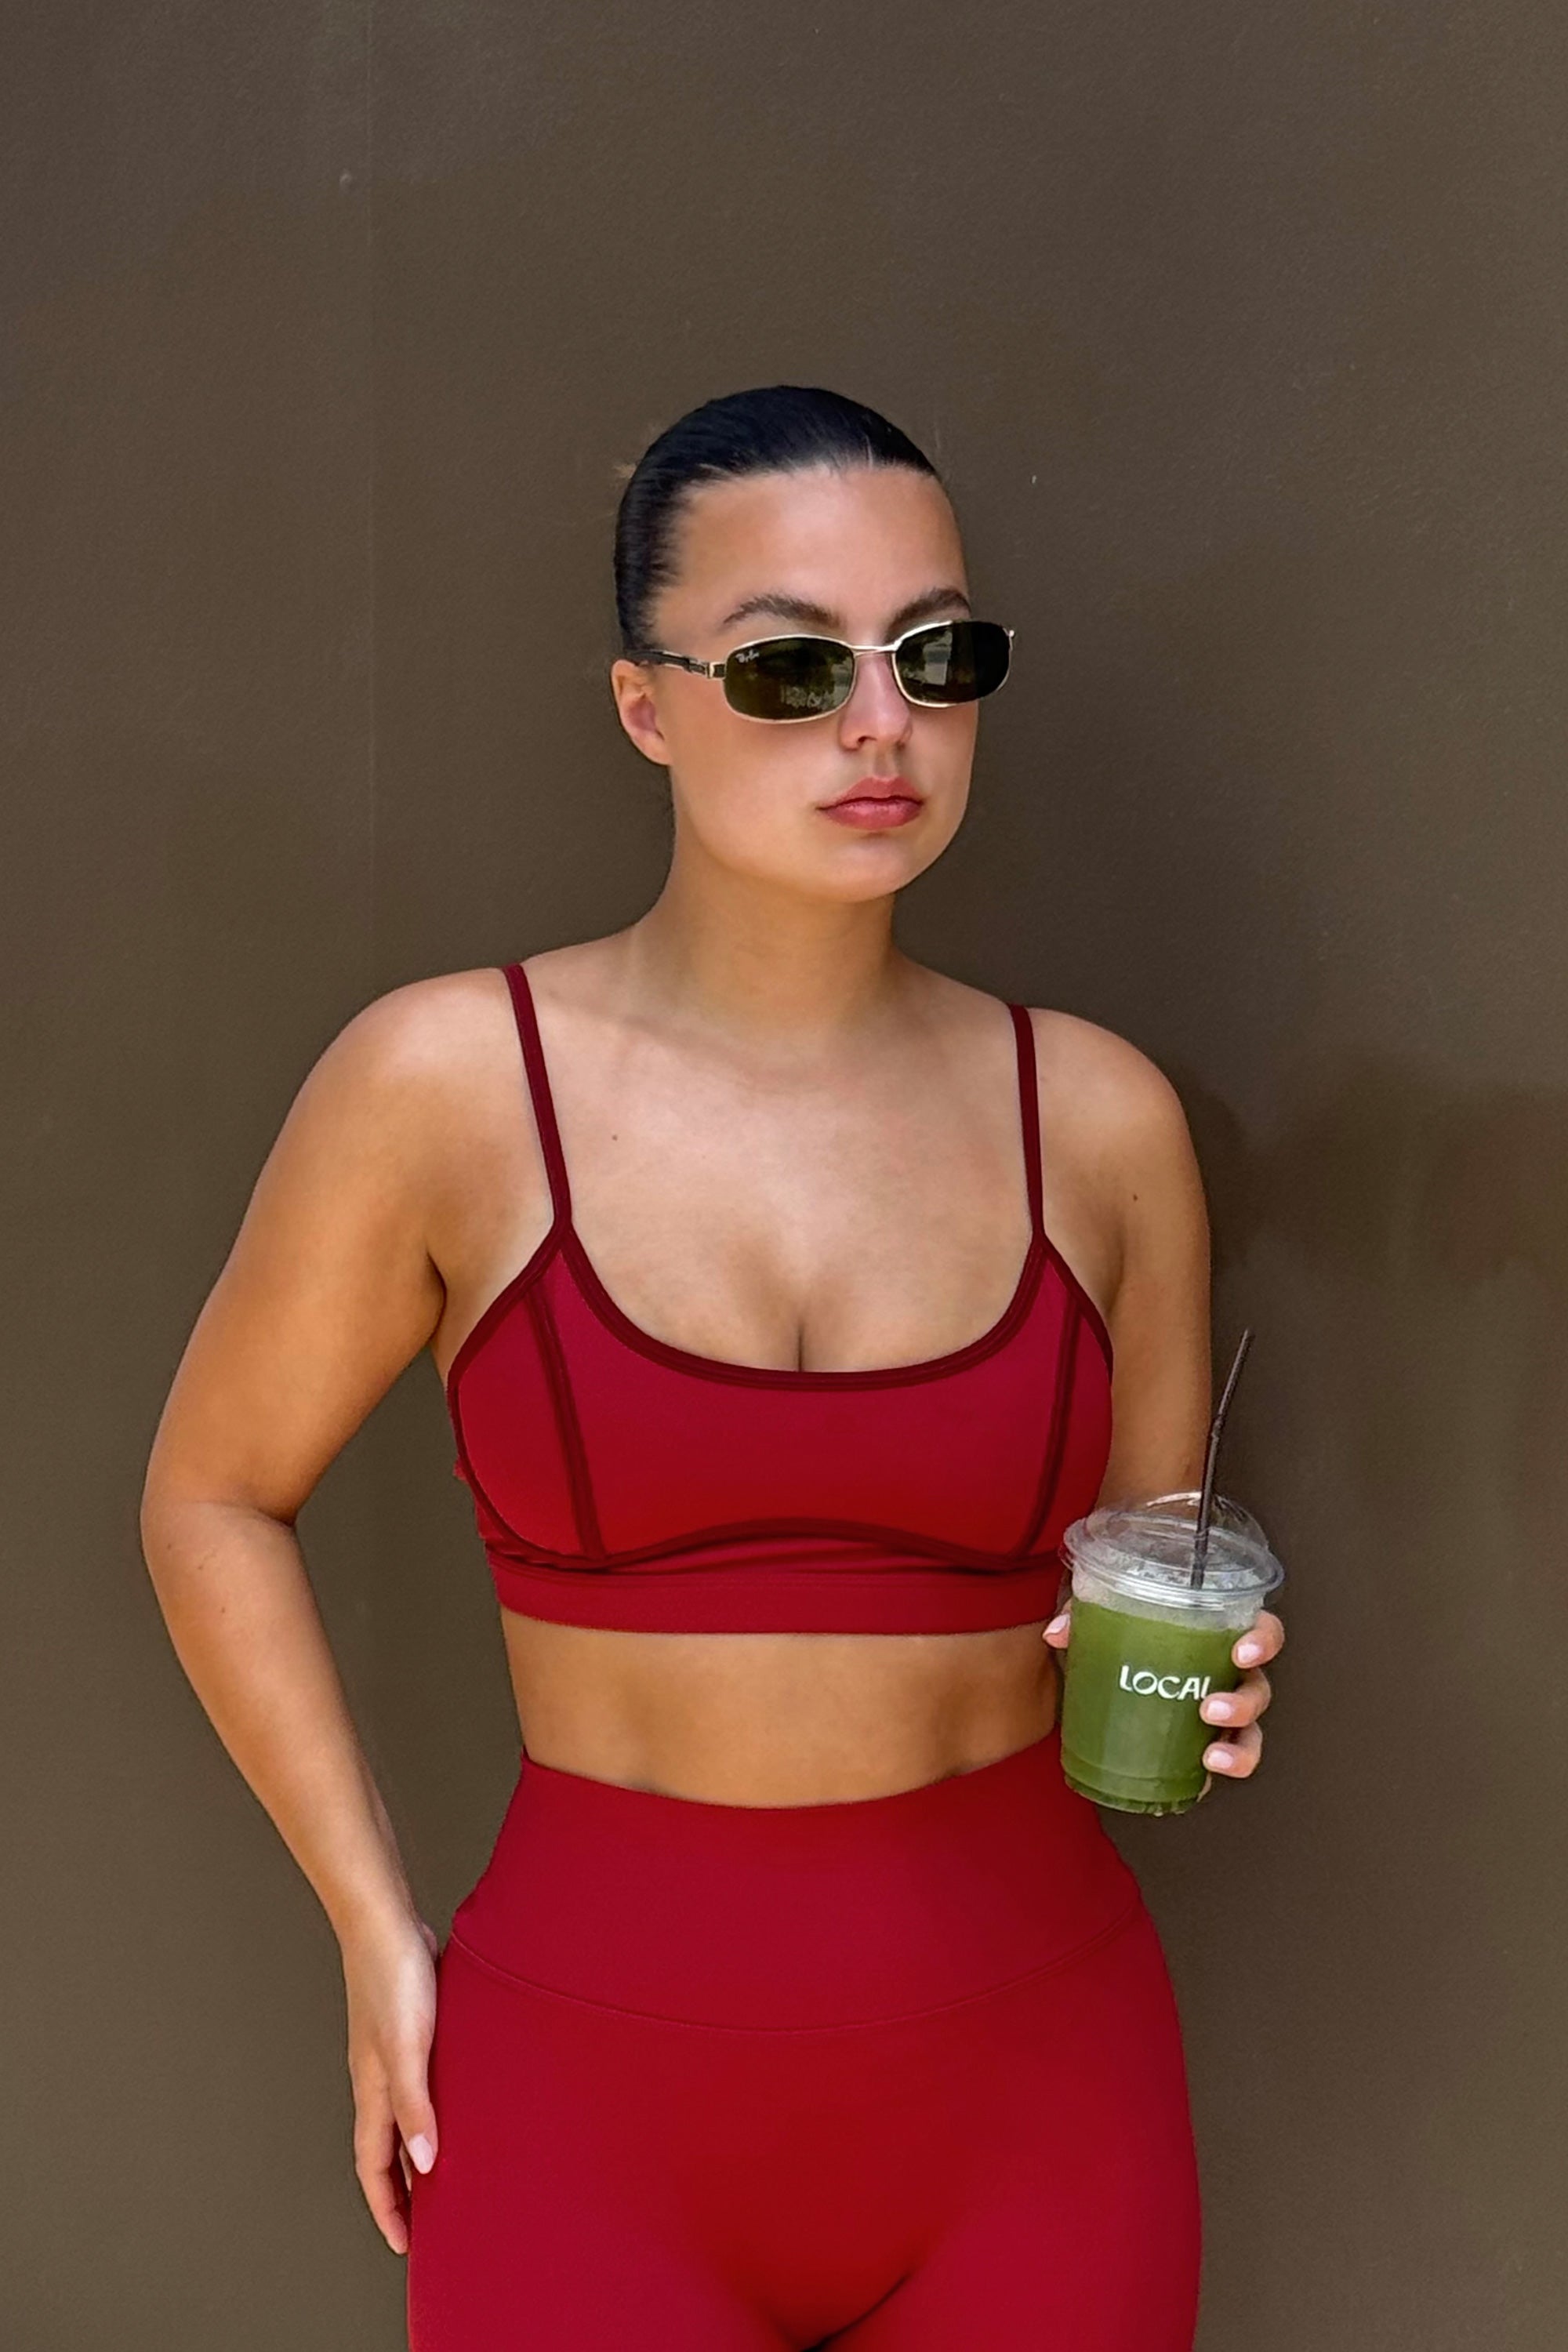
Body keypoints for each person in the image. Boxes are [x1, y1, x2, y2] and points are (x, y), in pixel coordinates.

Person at [140, 383, 1284, 2350]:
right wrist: (368, 1926)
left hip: (1039, 2082)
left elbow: (1143, 1573)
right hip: (583, 2088)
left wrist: (1211, 1671)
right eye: (788, 665)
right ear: (644, 708)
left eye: (936, 656)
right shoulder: (445, 1084)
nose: (880, 722)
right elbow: (210, 1494)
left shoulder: (1100, 1123)